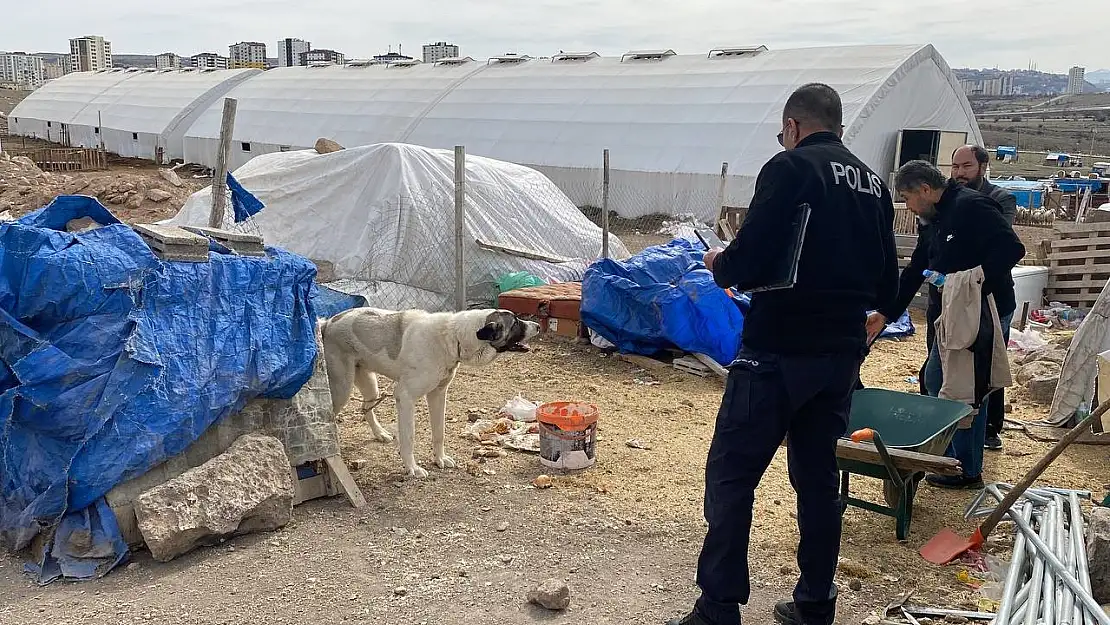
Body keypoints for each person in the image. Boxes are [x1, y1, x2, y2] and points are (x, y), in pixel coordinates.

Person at [668, 83, 899, 625]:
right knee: (818, 482)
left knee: (732, 475)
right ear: (837, 126)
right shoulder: (872, 183)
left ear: (794, 127)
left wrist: (721, 263)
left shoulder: (790, 168)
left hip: (776, 349)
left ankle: (718, 607)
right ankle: (815, 603)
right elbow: (889, 279)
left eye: (782, 132)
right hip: (839, 356)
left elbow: (752, 256)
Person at [866, 160, 1025, 489]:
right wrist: (887, 312)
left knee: (968, 388)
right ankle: (953, 458)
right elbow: (916, 269)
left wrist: (971, 283)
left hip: (981, 309)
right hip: (951, 312)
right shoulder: (932, 218)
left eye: (908, 197)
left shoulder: (971, 207)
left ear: (926, 189)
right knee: (941, 379)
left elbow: (1012, 249)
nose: (907, 206)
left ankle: (966, 469)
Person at [950, 145, 1018, 451]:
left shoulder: (1000, 199)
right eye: (955, 167)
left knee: (990, 366)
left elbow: (1000, 246)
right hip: (957, 298)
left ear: (982, 166)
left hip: (992, 297)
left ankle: (991, 427)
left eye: (966, 166)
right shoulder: (949, 199)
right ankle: (957, 428)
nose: (960, 173)